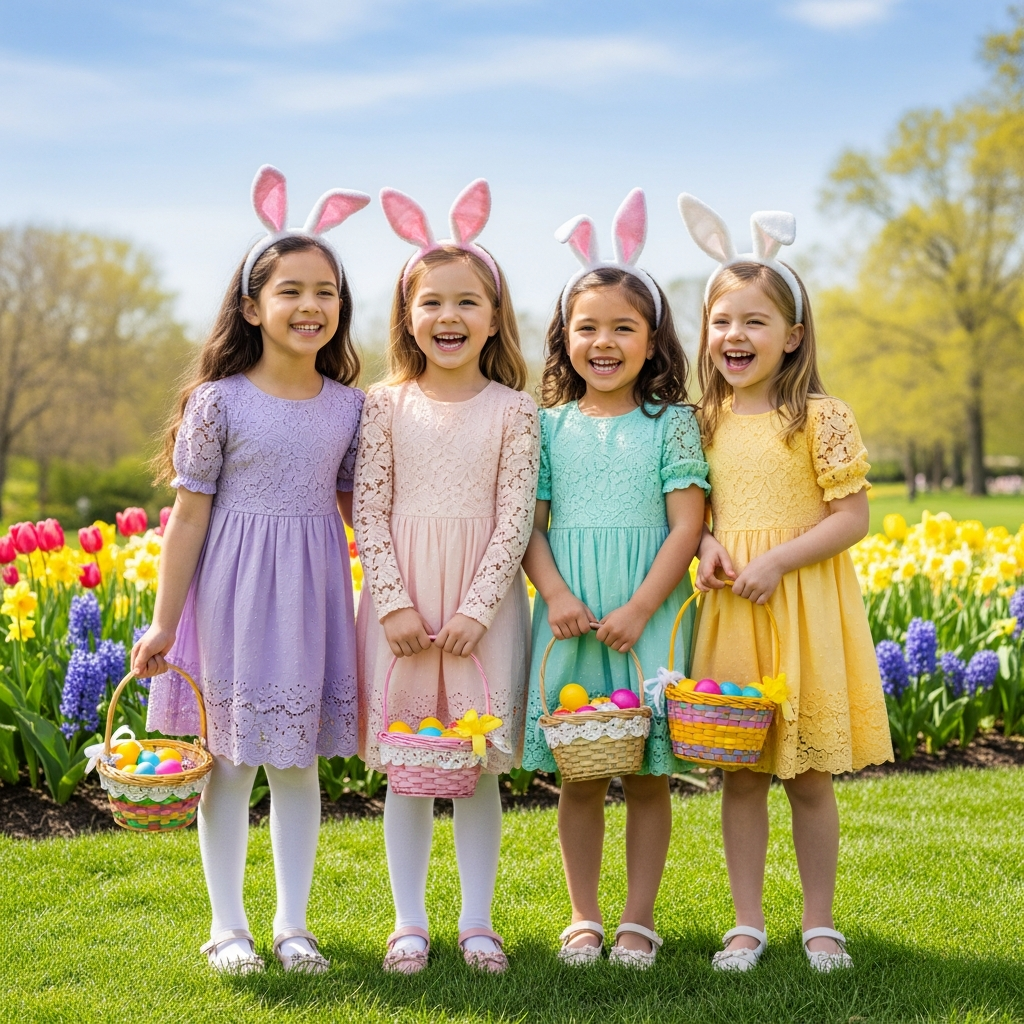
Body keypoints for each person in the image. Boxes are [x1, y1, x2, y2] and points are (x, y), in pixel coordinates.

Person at [131, 165, 370, 974]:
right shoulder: (219, 402)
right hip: (231, 593)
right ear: (251, 307)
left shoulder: (348, 405)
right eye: (292, 290)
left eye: (327, 292)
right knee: (228, 764)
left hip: (311, 593)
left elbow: (353, 511)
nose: (311, 306)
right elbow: (188, 515)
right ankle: (227, 926)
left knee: (297, 765)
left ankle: (292, 926)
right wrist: (166, 621)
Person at [678, 194, 892, 973]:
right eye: (722, 321)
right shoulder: (701, 418)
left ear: (793, 335)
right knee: (741, 772)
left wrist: (777, 560)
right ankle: (746, 923)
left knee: (804, 775)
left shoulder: (821, 416)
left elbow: (851, 518)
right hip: (735, 609)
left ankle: (820, 922)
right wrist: (706, 542)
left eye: (755, 321)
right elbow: (691, 509)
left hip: (798, 602)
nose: (736, 335)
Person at [354, 180, 539, 974]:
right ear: (408, 317)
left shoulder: (515, 410)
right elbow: (368, 507)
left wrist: (478, 606)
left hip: (480, 609)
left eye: (468, 302)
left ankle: (476, 921)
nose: (450, 318)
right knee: (408, 768)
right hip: (402, 607)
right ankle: (408, 923)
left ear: (494, 317)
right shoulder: (383, 404)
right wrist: (391, 601)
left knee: (473, 767)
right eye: (432, 303)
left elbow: (515, 517)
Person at [520, 190, 709, 969]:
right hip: (569, 612)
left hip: (647, 610)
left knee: (649, 771)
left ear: (652, 341)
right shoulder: (545, 426)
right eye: (587, 328)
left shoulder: (672, 424)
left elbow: (688, 526)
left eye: (623, 328)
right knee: (581, 771)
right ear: (563, 340)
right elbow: (528, 527)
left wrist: (640, 605)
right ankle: (583, 916)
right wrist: (558, 595)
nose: (604, 341)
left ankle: (637, 920)